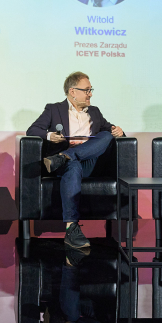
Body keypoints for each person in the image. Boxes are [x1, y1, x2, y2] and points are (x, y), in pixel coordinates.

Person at [26, 72, 124, 248]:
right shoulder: (53, 109)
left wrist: (118, 131)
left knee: (106, 135)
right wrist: (49, 135)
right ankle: (72, 229)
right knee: (73, 166)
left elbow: (109, 130)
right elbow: (32, 130)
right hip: (67, 167)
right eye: (87, 90)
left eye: (91, 90)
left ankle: (65, 156)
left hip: (89, 163)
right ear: (72, 91)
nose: (90, 94)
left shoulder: (95, 112)